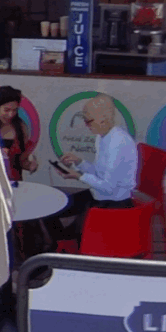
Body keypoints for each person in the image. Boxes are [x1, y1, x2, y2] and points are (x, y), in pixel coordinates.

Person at [53, 92, 138, 240]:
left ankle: (60, 246)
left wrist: (79, 176)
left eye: (88, 121)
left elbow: (108, 186)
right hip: (100, 195)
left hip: (114, 204)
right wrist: (79, 162)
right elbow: (99, 173)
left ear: (103, 119)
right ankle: (57, 245)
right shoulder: (102, 136)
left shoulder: (117, 143)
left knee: (67, 232)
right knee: (55, 208)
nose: (86, 125)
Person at [0, 85, 38, 182]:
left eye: (14, 110)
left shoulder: (21, 128)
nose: (10, 114)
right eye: (6, 110)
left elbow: (22, 161)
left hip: (14, 182)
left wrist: (31, 166)